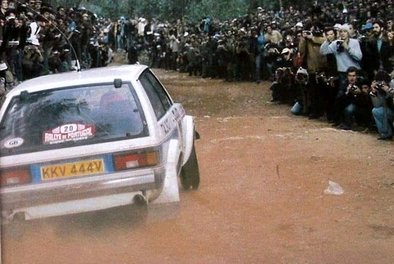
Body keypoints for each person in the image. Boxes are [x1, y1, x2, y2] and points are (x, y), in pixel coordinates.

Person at [320, 24, 363, 98]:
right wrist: (327, 40)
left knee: (356, 94)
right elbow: (323, 52)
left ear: (348, 33)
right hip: (343, 73)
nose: (342, 33)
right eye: (341, 31)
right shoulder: (336, 43)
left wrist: (348, 48)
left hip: (355, 72)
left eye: (345, 31)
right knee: (342, 95)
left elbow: (359, 57)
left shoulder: (355, 42)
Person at [370, 70, 394, 140]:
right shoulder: (379, 88)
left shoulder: (393, 83)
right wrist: (373, 92)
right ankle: (386, 134)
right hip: (390, 111)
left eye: (383, 81)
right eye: (379, 81)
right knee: (376, 111)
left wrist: (389, 90)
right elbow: (377, 105)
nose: (382, 83)